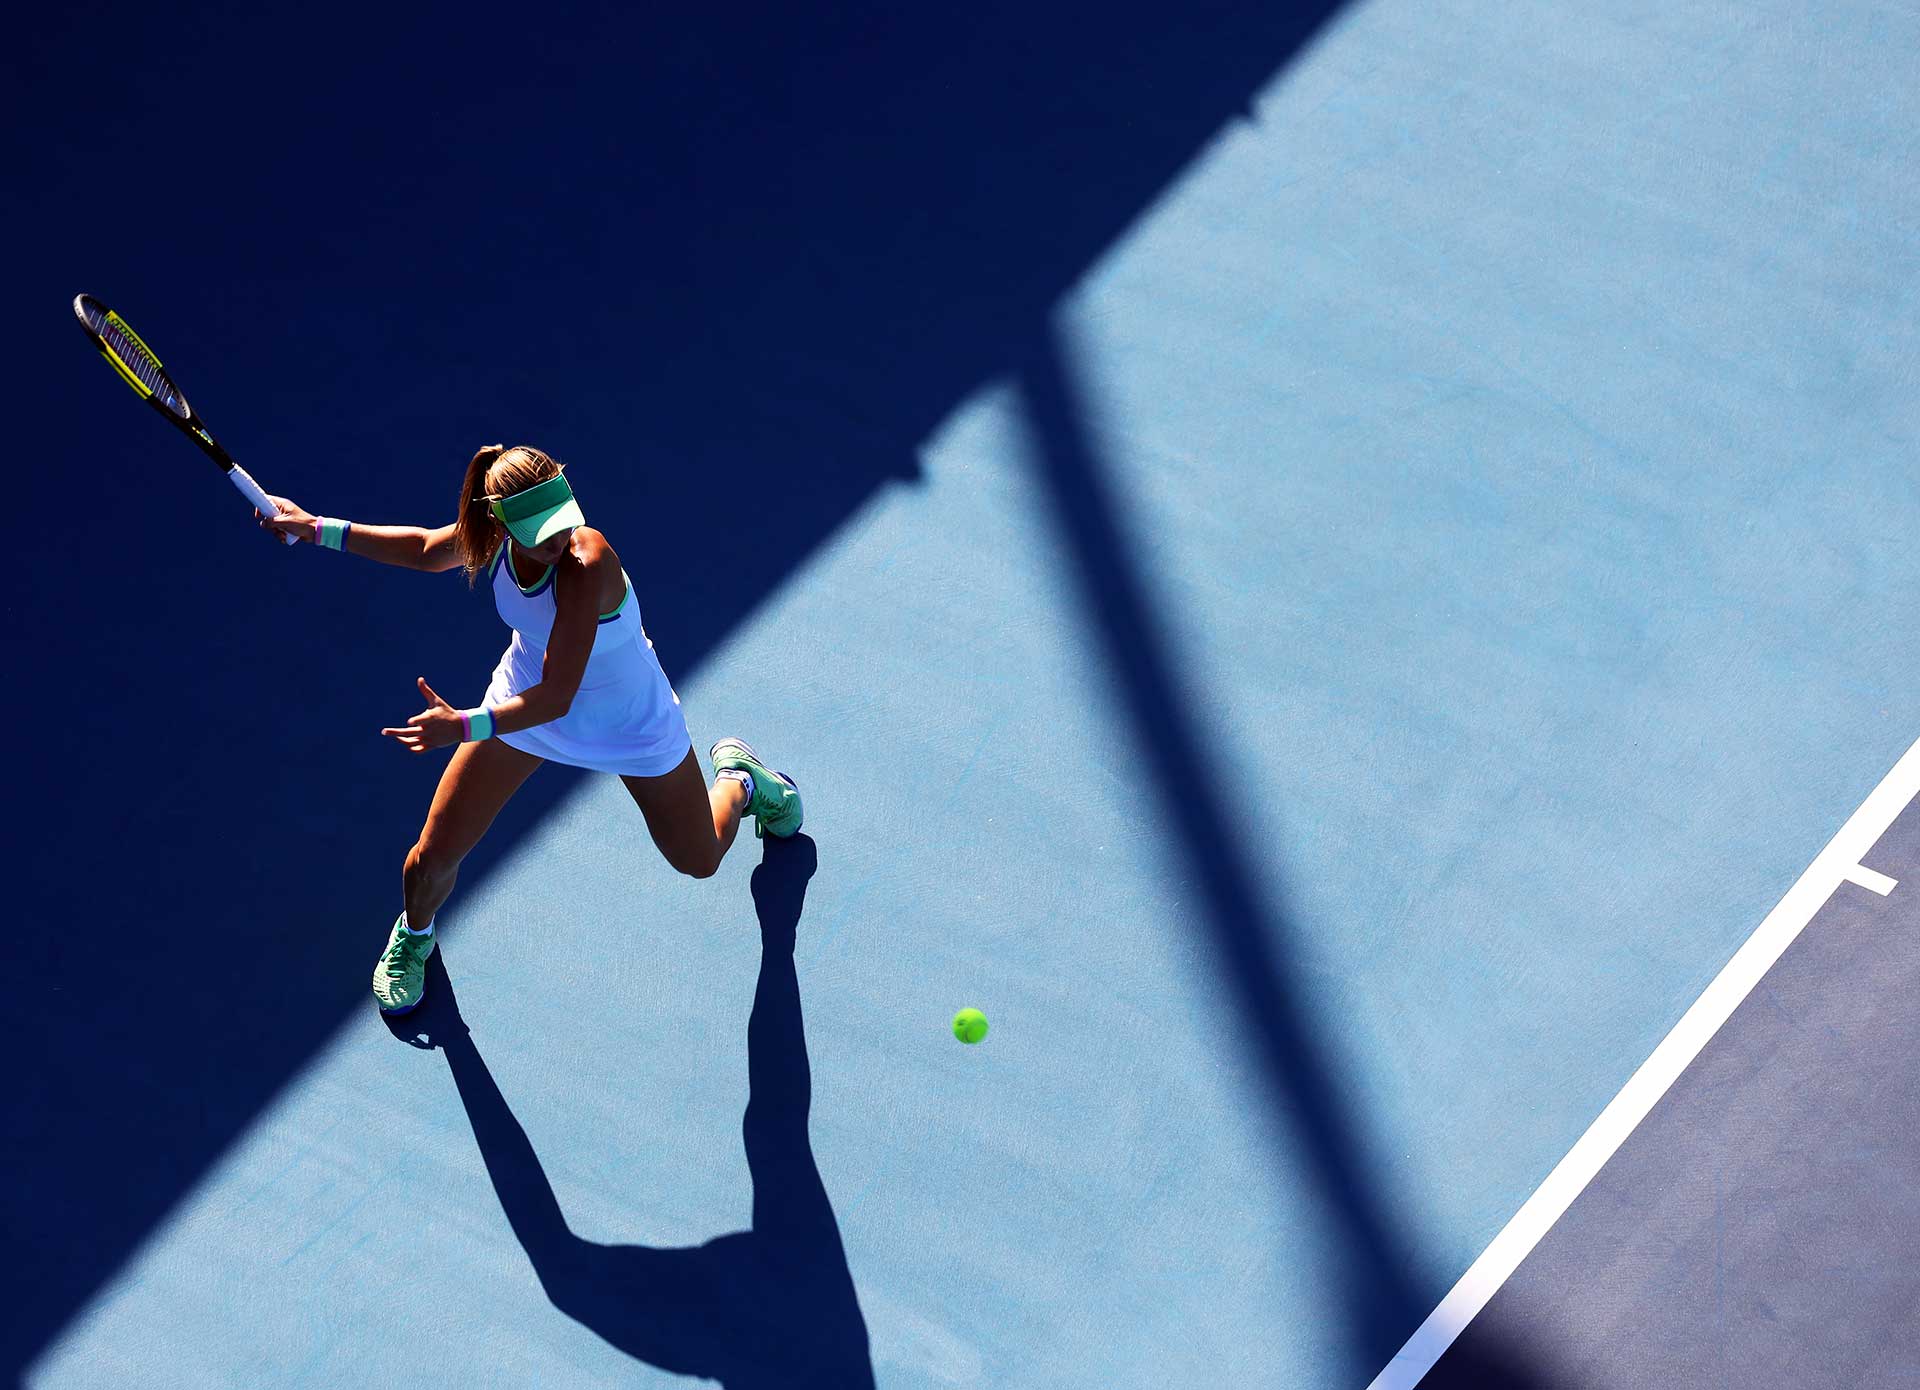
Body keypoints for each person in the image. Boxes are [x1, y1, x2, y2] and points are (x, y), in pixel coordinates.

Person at [257, 443, 802, 1015]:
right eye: (539, 531)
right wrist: (315, 528)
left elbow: (559, 694)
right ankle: (416, 935)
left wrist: (464, 724)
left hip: (628, 721)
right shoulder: (491, 540)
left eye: (562, 521)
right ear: (499, 521)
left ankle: (739, 780)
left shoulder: (586, 561)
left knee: (700, 859)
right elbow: (423, 549)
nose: (558, 539)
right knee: (430, 858)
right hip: (525, 705)